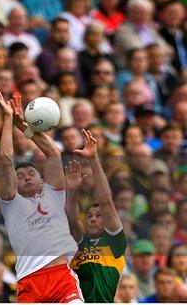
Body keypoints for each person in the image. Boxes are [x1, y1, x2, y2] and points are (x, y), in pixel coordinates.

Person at [0, 89, 83, 303]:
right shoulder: (11, 204)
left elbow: (53, 152)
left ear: (42, 179)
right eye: (20, 175)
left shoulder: (54, 192)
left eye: (31, 172)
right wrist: (7, 119)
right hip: (29, 282)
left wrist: (23, 125)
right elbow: (5, 163)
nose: (26, 177)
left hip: (62, 278)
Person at [68, 129, 127, 302]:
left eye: (99, 215)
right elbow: (72, 221)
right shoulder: (81, 242)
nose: (93, 218)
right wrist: (72, 191)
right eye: (91, 215)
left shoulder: (114, 243)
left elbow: (106, 201)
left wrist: (93, 159)